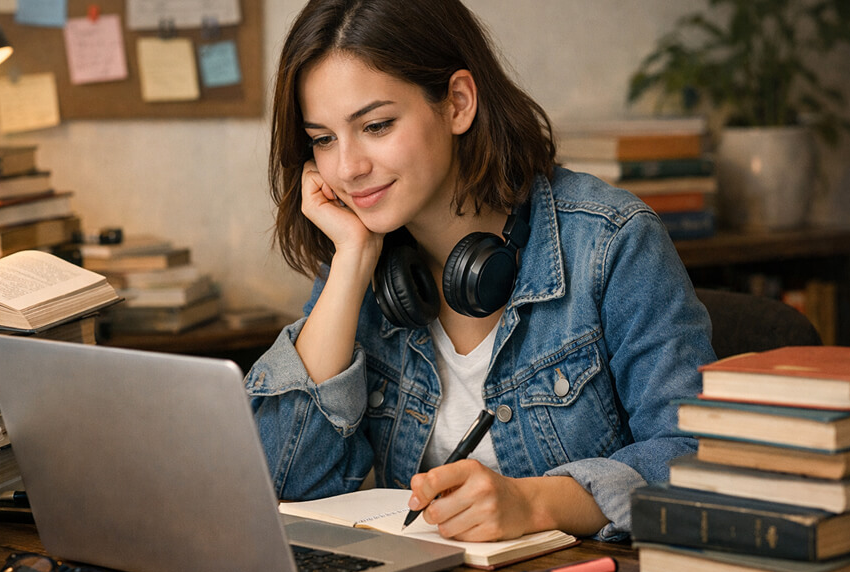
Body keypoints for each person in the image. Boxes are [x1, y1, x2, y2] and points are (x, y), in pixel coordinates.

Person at [246, 0, 716, 543]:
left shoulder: (611, 241)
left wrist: (538, 503)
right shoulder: (363, 258)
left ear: (458, 103)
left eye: (375, 125)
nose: (348, 168)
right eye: (323, 139)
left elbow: (696, 457)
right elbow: (282, 485)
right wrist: (351, 261)